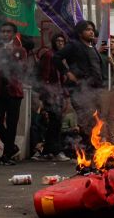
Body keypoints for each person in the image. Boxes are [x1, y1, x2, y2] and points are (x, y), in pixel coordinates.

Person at [52, 20, 103, 155]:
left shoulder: (93, 47)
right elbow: (56, 58)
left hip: (95, 89)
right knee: (87, 120)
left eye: (92, 29)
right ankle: (88, 151)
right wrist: (67, 73)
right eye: (87, 29)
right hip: (80, 90)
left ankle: (93, 149)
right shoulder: (74, 46)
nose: (91, 31)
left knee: (97, 120)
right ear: (80, 33)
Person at [0, 22, 27, 165]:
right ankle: (12, 147)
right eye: (3, 31)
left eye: (8, 32)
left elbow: (22, 70)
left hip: (14, 92)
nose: (5, 34)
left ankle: (6, 155)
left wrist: (10, 53)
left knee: (12, 124)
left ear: (14, 34)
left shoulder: (20, 50)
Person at [34, 33, 71, 161]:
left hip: (58, 94)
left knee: (56, 123)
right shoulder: (49, 55)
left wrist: (65, 96)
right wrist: (44, 95)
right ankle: (54, 151)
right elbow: (44, 77)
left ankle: (49, 151)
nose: (60, 43)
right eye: (58, 41)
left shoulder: (61, 58)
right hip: (50, 94)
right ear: (54, 42)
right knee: (54, 123)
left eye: (62, 41)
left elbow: (63, 79)